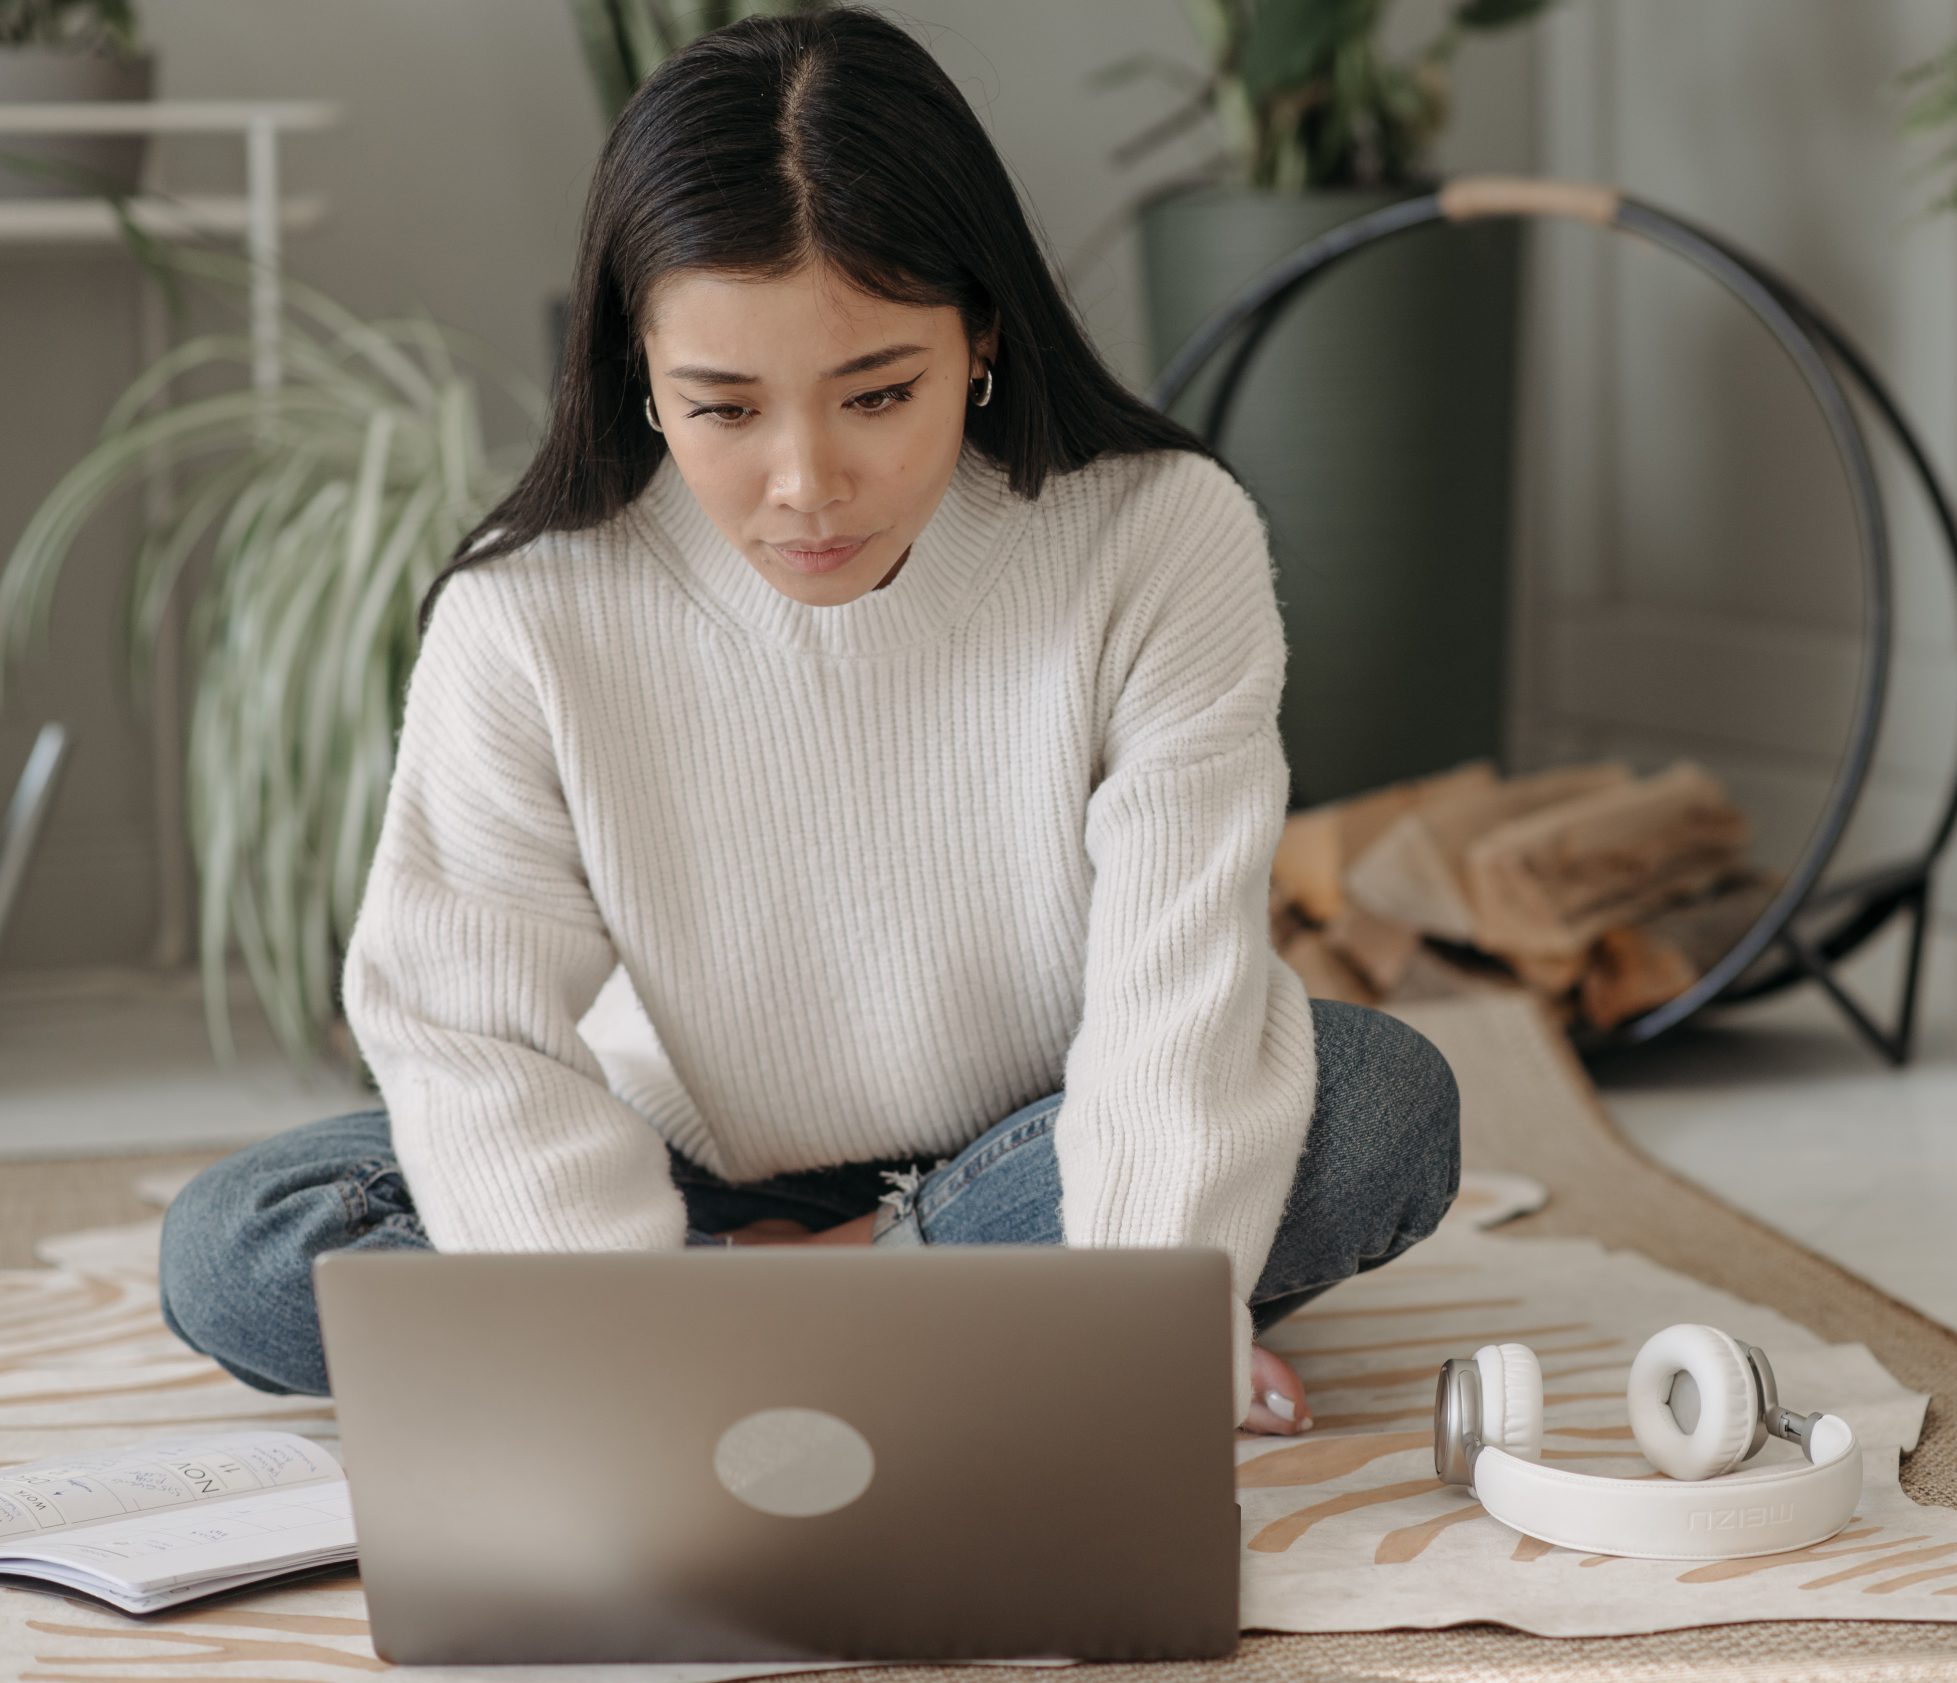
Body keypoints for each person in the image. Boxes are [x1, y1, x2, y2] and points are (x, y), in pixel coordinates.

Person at [155, 5, 1462, 1439]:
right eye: (723, 409)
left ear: (980, 337)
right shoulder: (529, 616)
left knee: (1378, 1105)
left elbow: (1178, 989)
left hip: (1039, 1141)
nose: (805, 484)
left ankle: (839, 1309)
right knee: (239, 1243)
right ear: (637, 376)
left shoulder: (1161, 539)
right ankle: (914, 1320)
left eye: (880, 393)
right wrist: (643, 1294)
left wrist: (1146, 1316)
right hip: (695, 1169)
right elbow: (470, 1034)